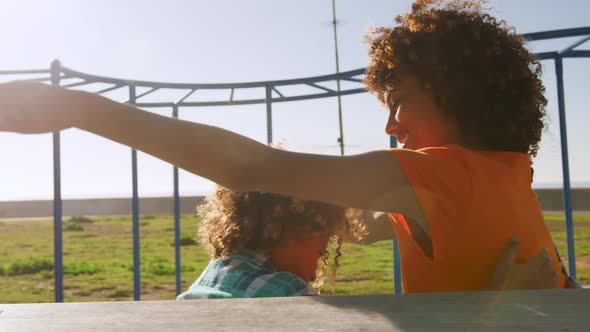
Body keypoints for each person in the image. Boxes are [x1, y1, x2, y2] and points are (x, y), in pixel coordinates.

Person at [0, 0, 566, 293]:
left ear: (452, 93)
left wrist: (74, 109)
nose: (391, 125)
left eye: (398, 100)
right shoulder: (507, 174)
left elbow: (250, 166)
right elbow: (359, 223)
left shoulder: (439, 176)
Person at [177, 187, 365, 299]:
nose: (314, 275)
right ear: (297, 232)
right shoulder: (287, 291)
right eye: (320, 253)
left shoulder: (207, 280)